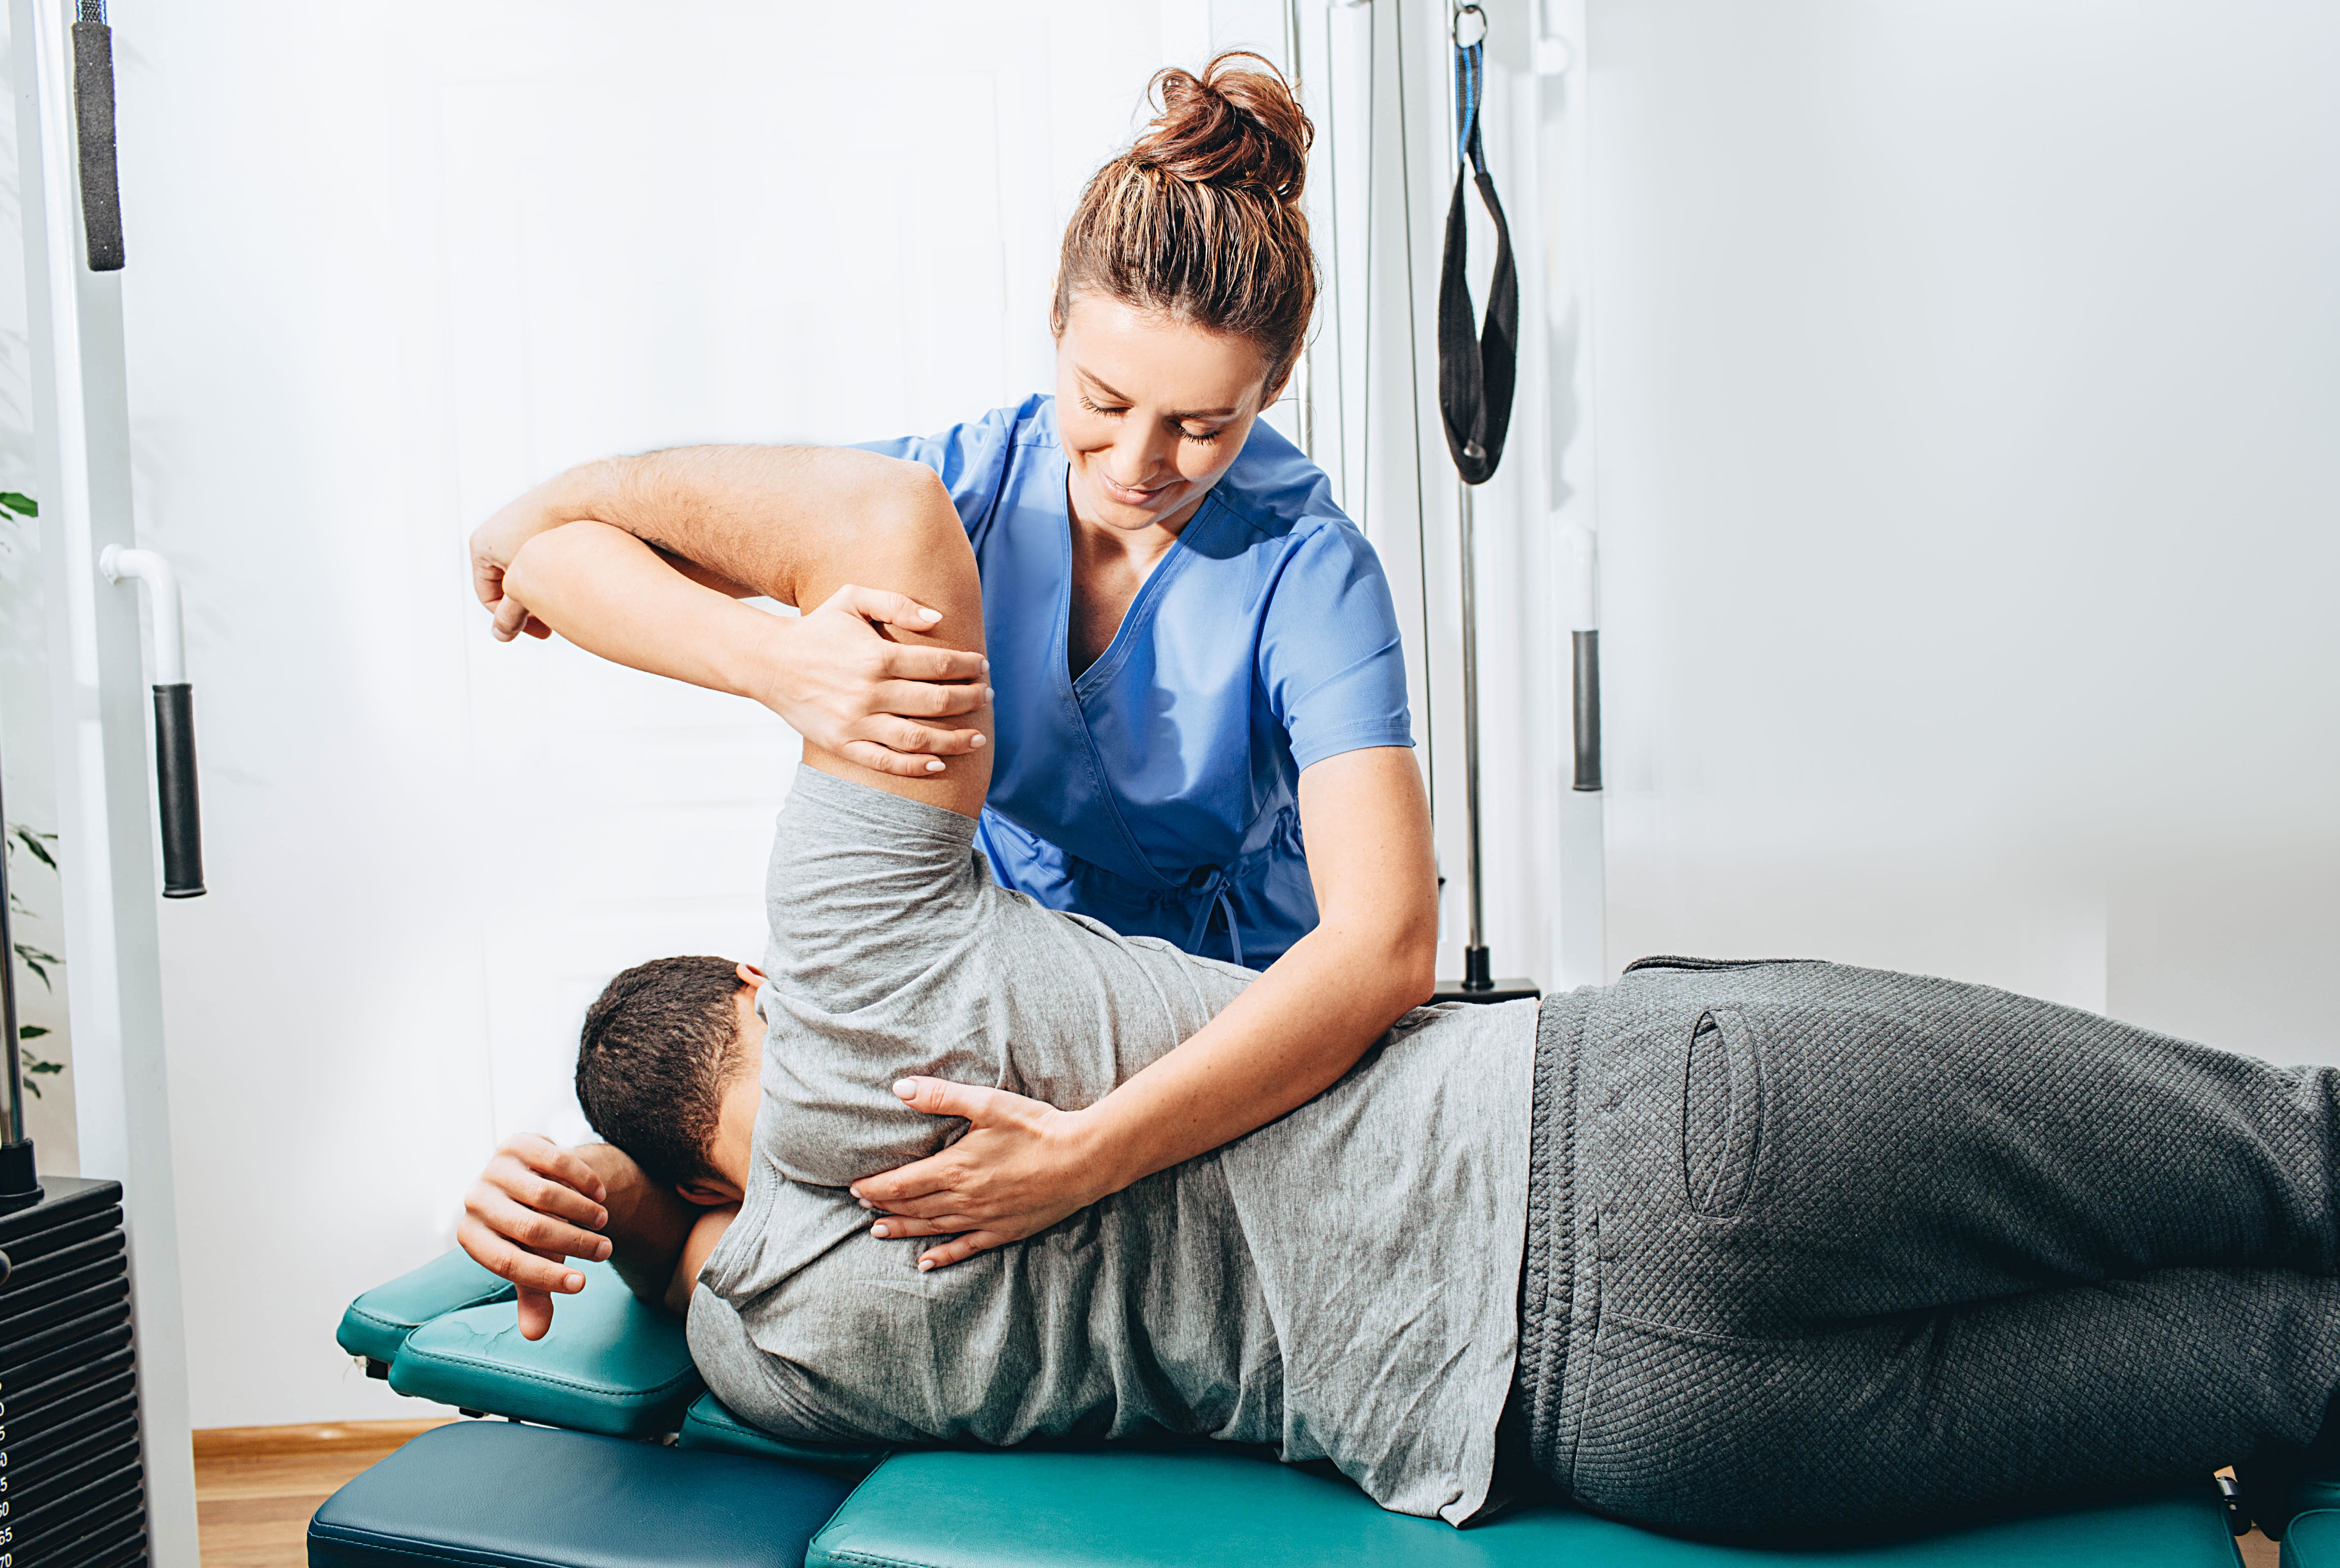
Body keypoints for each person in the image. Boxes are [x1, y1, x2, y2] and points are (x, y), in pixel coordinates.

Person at [460, 480, 2340, 1542]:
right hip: (1639, 1133)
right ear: (763, 976)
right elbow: (878, 522)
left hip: (1638, 1432)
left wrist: (618, 1212)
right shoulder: (867, 962)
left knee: (2295, 1370)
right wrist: (598, 549)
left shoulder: (768, 1340)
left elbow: (682, 1264)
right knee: (2290, 1151)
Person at [461, 54, 1439, 1274]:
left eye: (1203, 426)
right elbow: (561, 562)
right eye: (1104, 396)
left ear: (1275, 388)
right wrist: (777, 664)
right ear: (1056, 323)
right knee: (837, 1221)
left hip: (1220, 1024)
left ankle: (645, 1210)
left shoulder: (1310, 569)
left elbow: (1391, 942)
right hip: (998, 988)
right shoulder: (958, 493)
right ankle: (604, 1196)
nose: (1139, 459)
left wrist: (1091, 1152)